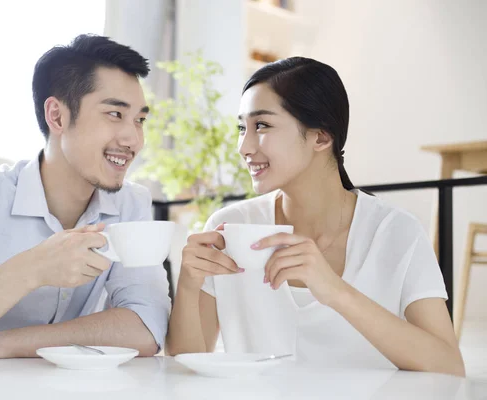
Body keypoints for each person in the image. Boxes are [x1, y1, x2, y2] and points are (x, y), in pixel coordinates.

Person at [166, 57, 465, 376]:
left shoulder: (396, 232)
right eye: (242, 128)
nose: (244, 146)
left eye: (262, 126)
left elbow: (448, 366)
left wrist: (335, 291)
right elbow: (187, 371)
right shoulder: (230, 228)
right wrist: (187, 286)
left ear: (321, 137)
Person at [0, 34, 171, 367]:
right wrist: (32, 269)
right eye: (114, 115)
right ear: (57, 116)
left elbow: (147, 326)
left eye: (139, 120)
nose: (133, 139)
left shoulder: (130, 203)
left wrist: (8, 343)